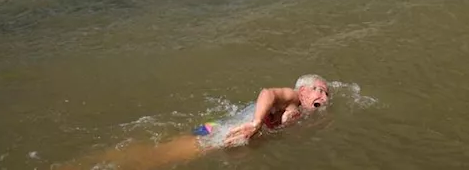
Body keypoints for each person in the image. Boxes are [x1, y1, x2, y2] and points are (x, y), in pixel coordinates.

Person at [55, 75, 329, 170]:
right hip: (226, 129)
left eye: (326, 92)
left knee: (165, 149)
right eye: (319, 89)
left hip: (216, 123)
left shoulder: (302, 111)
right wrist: (257, 123)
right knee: (160, 157)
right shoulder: (293, 96)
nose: (323, 95)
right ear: (303, 90)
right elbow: (267, 93)